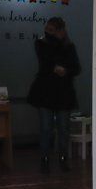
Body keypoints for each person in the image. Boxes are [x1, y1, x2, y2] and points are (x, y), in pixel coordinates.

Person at [28, 17, 80, 173]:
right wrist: (59, 68)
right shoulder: (41, 44)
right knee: (46, 128)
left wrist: (65, 70)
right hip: (46, 92)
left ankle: (63, 158)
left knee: (64, 128)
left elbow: (76, 68)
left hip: (63, 92)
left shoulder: (69, 47)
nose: (47, 33)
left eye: (51, 30)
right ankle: (45, 159)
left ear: (60, 30)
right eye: (47, 30)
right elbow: (46, 61)